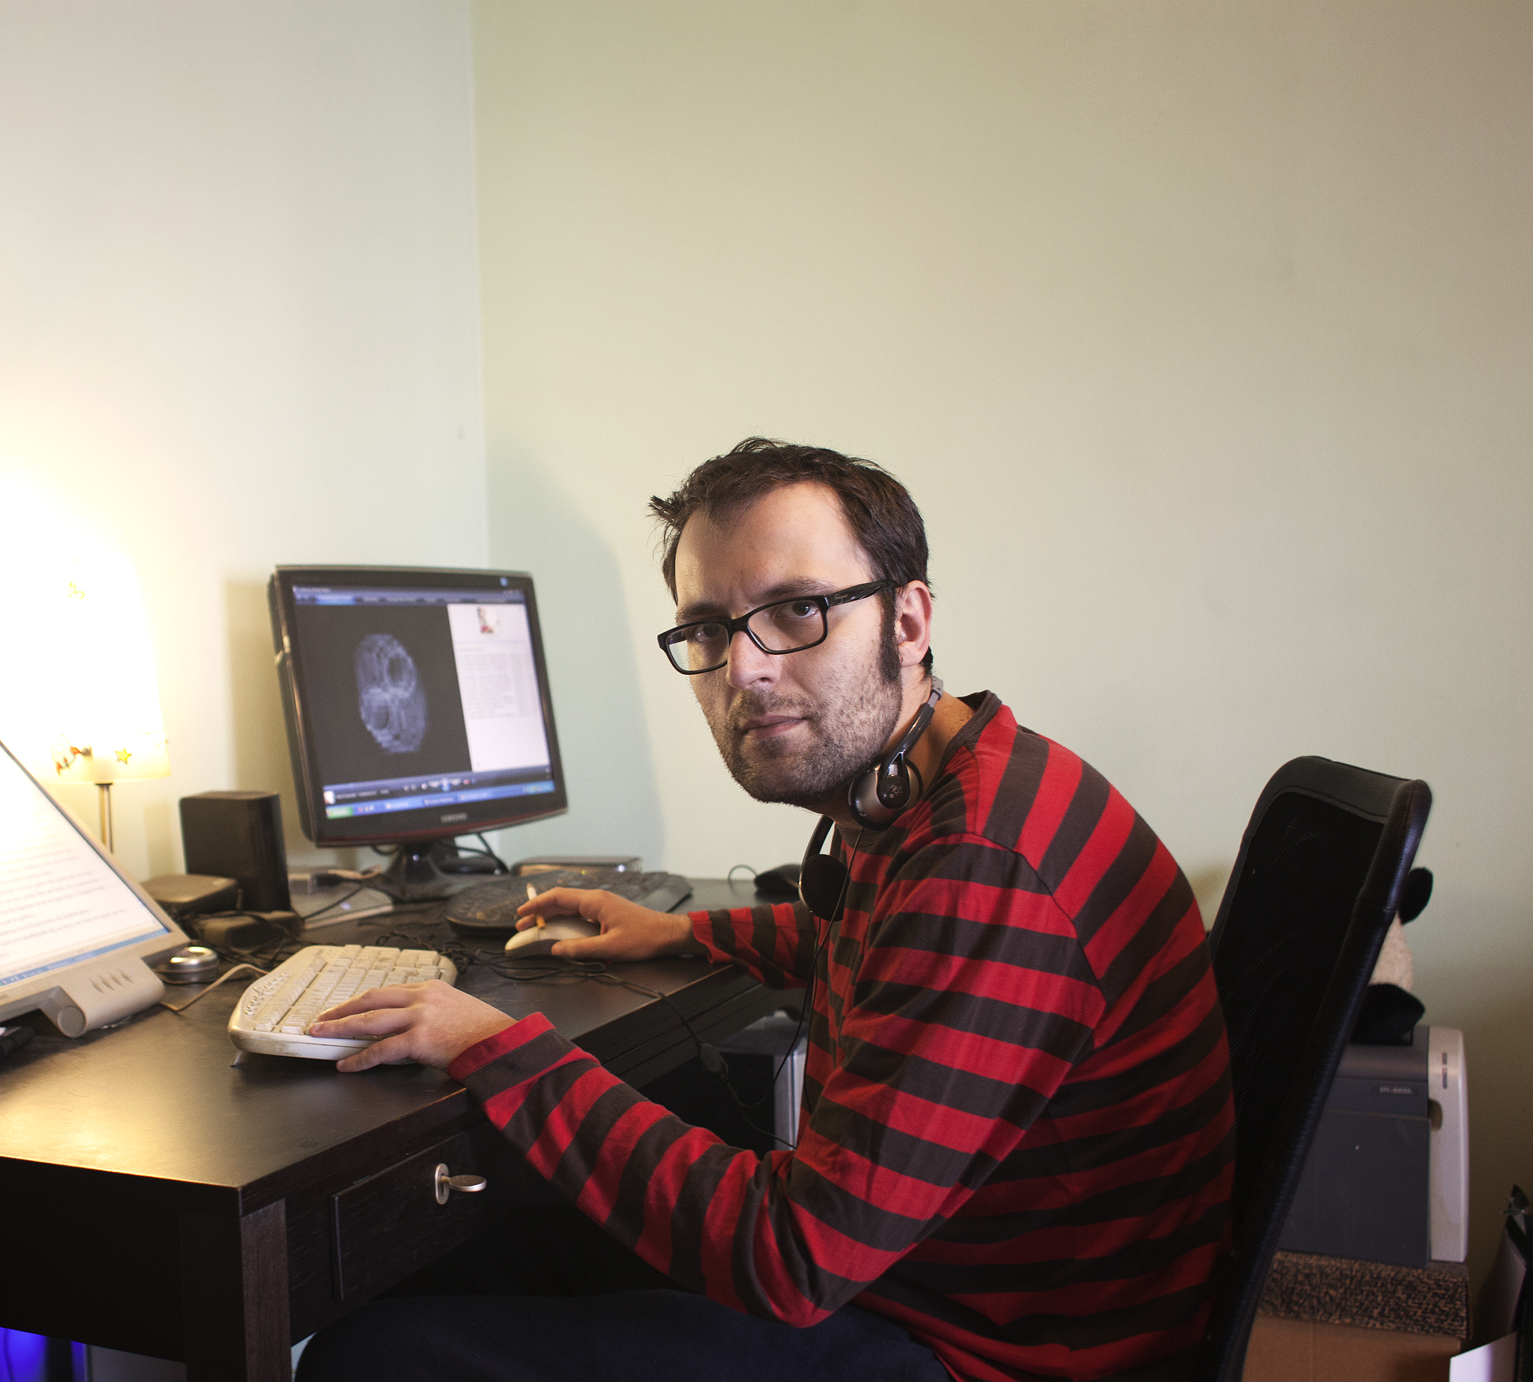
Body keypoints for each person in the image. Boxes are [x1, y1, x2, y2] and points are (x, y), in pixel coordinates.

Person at [298, 439, 1235, 1382]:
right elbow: (883, 942)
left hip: (985, 1352)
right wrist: (680, 931)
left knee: (370, 1356)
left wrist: (492, 1046)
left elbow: (791, 1262)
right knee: (462, 1259)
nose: (742, 667)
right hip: (929, 1280)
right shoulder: (950, 783)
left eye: (797, 609)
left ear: (908, 621)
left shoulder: (982, 863)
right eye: (708, 628)